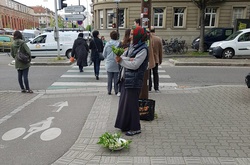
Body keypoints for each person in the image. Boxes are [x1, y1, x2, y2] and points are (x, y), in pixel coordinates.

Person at [114, 26, 148, 136]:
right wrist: (127, 59)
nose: (130, 36)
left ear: (139, 35)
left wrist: (122, 61)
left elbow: (135, 65)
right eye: (131, 34)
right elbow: (124, 56)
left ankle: (135, 128)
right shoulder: (133, 46)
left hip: (134, 81)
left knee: (132, 105)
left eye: (133, 34)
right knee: (124, 104)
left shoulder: (143, 49)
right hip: (126, 79)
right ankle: (124, 125)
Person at [103, 31, 120, 95]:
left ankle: (109, 90)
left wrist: (106, 57)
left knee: (109, 78)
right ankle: (116, 90)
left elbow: (104, 54)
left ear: (110, 36)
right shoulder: (118, 44)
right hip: (116, 62)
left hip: (109, 63)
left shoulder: (107, 44)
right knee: (116, 78)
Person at [148, 26, 163, 93]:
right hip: (156, 59)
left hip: (149, 59)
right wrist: (160, 59)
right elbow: (160, 51)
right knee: (155, 73)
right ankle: (156, 88)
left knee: (149, 73)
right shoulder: (158, 39)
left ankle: (149, 87)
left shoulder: (148, 39)